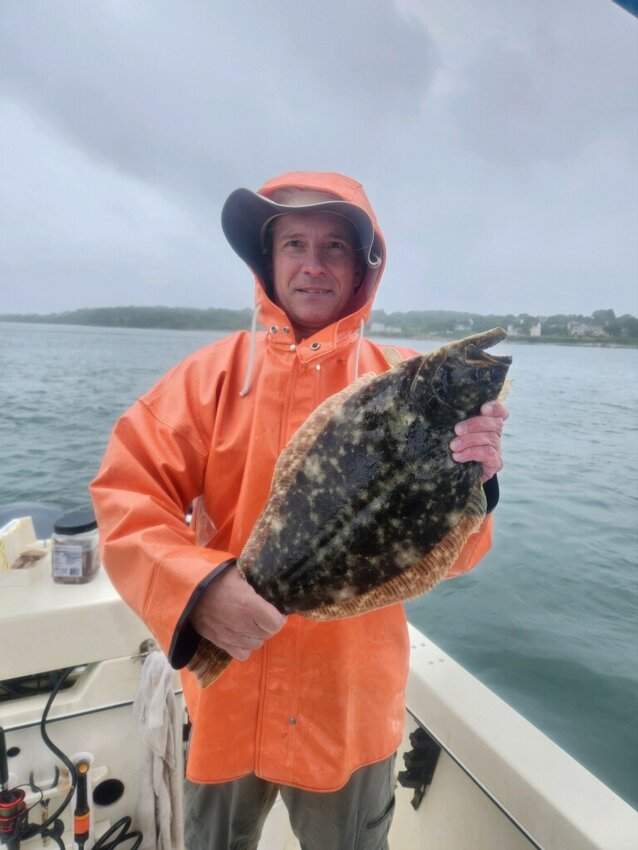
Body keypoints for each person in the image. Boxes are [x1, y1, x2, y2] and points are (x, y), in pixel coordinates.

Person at [90, 171, 508, 850]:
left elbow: (453, 556)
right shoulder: (207, 380)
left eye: (334, 247)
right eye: (294, 245)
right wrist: (199, 592)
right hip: (227, 698)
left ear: (362, 268)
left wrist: (480, 487)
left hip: (350, 708)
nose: (313, 265)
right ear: (268, 259)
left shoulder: (401, 377)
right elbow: (125, 497)